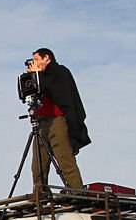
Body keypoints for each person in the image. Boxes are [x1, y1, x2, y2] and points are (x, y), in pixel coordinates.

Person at [26, 48, 91, 193]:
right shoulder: (39, 76)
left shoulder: (59, 72)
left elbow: (54, 89)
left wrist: (38, 75)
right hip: (41, 122)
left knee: (64, 159)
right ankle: (40, 193)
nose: (34, 63)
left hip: (57, 120)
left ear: (47, 58)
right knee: (38, 163)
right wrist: (33, 77)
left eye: (36, 60)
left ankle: (77, 191)